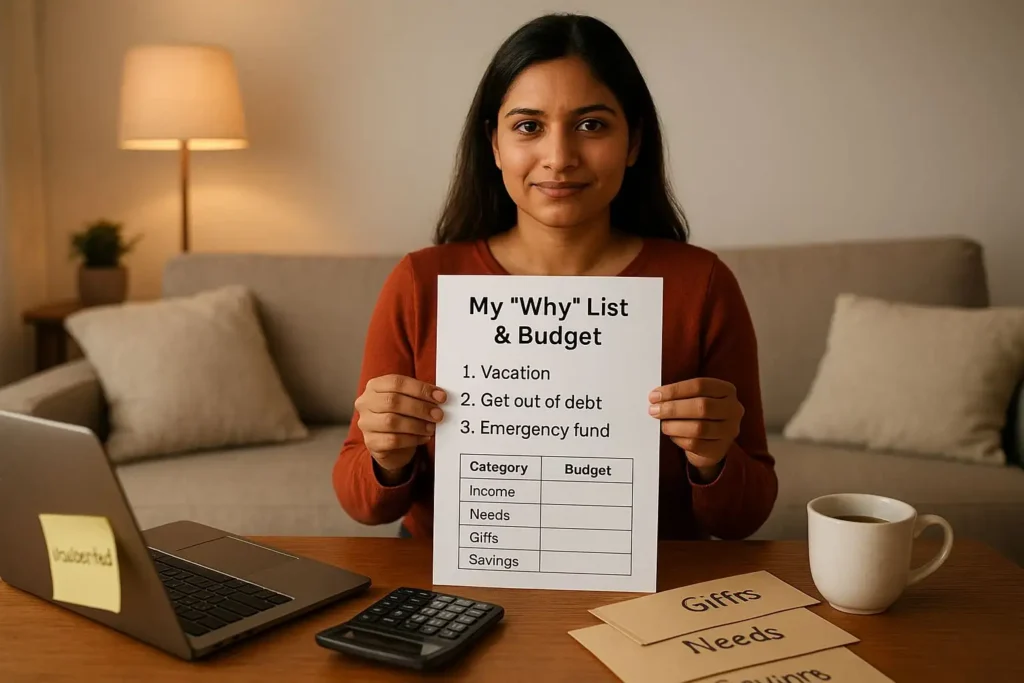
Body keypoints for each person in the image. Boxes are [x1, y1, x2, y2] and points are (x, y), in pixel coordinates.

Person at [332, 12, 778, 541]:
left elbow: (745, 518)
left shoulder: (701, 284)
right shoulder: (422, 281)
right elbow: (363, 504)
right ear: (494, 144)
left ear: (633, 142)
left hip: (649, 587)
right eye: (528, 127)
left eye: (592, 125)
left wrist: (712, 458)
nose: (560, 158)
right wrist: (386, 456)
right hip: (460, 583)